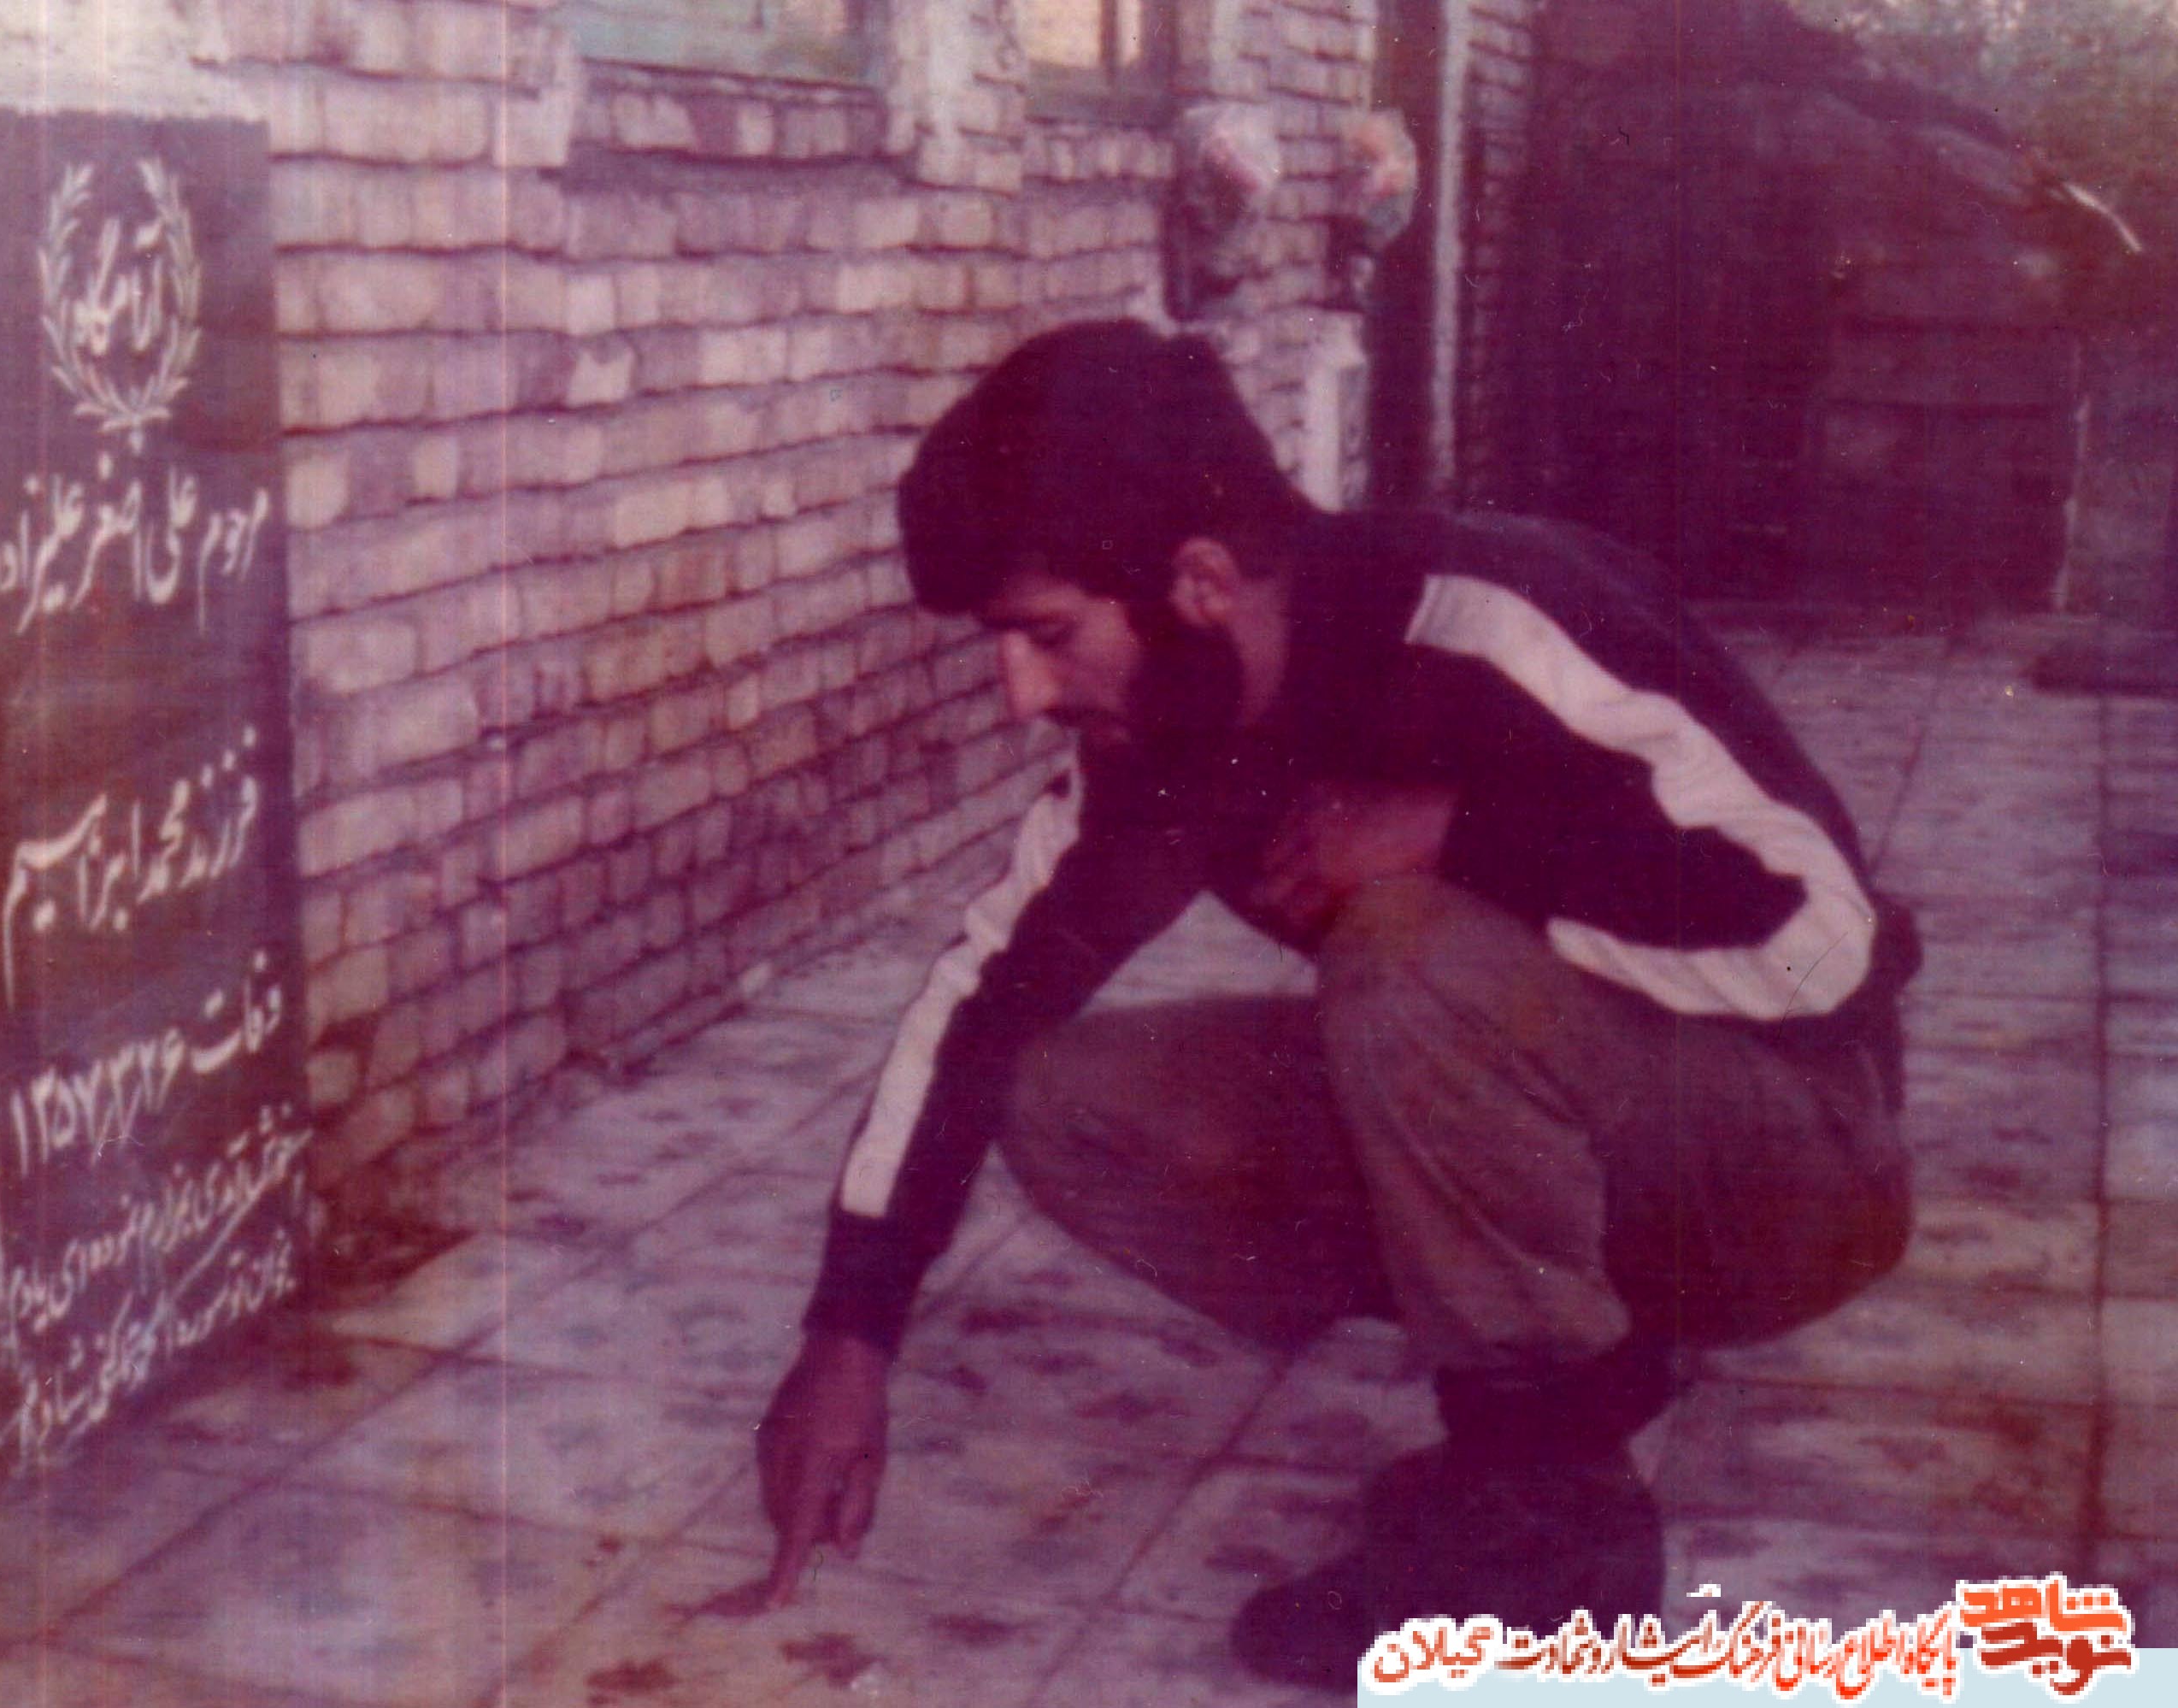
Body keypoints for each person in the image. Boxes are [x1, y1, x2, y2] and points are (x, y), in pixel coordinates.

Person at [750, 320, 1917, 1688]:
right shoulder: (1163, 740)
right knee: (1063, 1094)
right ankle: (1548, 1407)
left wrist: (1458, 831)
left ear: (1198, 579)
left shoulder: (1498, 618)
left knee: (1402, 945)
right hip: (1596, 1155)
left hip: (1795, 1170)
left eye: (1047, 636)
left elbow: (1831, 943)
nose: (1021, 695)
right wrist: (850, 1332)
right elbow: (981, 999)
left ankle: (1550, 1539)